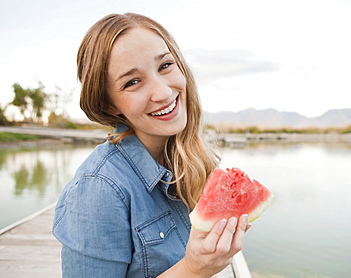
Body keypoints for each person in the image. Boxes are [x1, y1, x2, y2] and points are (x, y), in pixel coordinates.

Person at [52, 12, 250, 278]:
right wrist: (192, 270)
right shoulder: (98, 189)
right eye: (132, 82)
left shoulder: (184, 159)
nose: (164, 93)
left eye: (165, 66)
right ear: (109, 104)